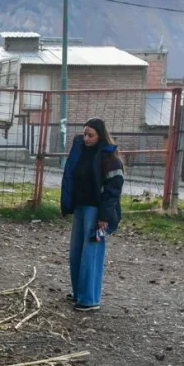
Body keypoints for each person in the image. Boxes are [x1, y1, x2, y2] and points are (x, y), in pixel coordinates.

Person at [61, 118, 125, 312]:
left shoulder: (110, 158)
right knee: (77, 252)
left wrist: (104, 217)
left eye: (91, 135)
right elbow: (70, 176)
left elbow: (113, 190)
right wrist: (67, 204)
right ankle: (79, 292)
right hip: (80, 206)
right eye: (85, 134)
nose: (87, 138)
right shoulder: (80, 151)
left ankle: (90, 298)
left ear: (100, 135)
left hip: (96, 211)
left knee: (91, 253)